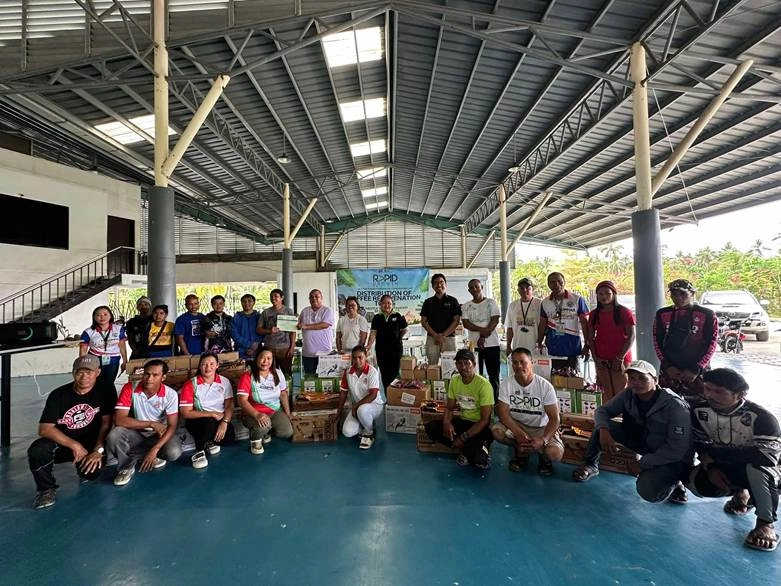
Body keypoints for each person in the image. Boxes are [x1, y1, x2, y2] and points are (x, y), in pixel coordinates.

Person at [572, 360, 692, 505]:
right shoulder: (628, 394)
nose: (636, 383)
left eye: (643, 378)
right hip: (643, 441)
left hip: (668, 454)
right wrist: (604, 431)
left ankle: (675, 481)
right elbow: (602, 411)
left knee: (648, 491)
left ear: (655, 380)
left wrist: (642, 464)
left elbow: (676, 450)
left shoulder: (675, 406)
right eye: (632, 378)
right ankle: (590, 464)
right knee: (602, 425)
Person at [686, 368, 781, 552]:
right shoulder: (699, 411)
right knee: (698, 484)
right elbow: (701, 445)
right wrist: (712, 467)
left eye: (719, 391)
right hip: (725, 465)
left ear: (740, 394)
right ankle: (741, 494)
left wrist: (720, 455)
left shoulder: (762, 418)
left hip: (766, 469)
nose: (710, 395)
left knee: (759, 470)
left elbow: (765, 458)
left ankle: (765, 524)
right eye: (707, 388)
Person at [27, 355, 116, 509]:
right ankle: (46, 489)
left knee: (92, 474)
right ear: (73, 373)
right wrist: (74, 445)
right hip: (64, 442)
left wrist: (98, 450)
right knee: (37, 450)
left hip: (90, 443)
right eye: (80, 372)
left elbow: (107, 423)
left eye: (89, 372)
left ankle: (83, 467)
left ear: (98, 373)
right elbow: (45, 428)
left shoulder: (105, 390)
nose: (84, 377)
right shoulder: (58, 394)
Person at [106, 359, 182, 486]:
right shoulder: (130, 388)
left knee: (173, 452)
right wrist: (151, 424)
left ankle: (149, 454)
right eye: (146, 374)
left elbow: (172, 425)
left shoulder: (170, 395)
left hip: (159, 435)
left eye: (155, 375)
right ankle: (126, 467)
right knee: (114, 435)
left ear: (163, 377)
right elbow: (119, 420)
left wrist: (155, 449)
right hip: (137, 433)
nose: (149, 378)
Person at [491, 347, 563, 475]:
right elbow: (503, 413)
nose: (518, 366)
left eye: (523, 362)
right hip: (518, 424)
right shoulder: (506, 384)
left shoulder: (545, 387)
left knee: (554, 454)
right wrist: (517, 432)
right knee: (497, 432)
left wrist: (543, 440)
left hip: (541, 427)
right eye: (514, 362)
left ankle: (544, 458)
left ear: (532, 363)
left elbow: (554, 419)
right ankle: (520, 451)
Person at [424, 349, 494, 469]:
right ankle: (467, 449)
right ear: (456, 365)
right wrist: (447, 423)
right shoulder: (455, 381)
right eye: (460, 363)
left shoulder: (484, 385)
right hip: (463, 421)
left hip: (479, 426)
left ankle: (476, 447)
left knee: (480, 461)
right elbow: (450, 408)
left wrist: (463, 437)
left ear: (474, 364)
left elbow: (484, 420)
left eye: (467, 363)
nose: (463, 367)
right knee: (431, 428)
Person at [653, 279, 718, 400]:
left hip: (697, 368)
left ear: (692, 294)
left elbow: (712, 343)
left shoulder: (707, 314)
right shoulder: (662, 313)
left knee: (699, 406)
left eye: (683, 294)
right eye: (674, 294)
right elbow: (657, 341)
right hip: (670, 369)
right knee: (667, 403)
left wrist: (696, 368)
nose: (678, 298)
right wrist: (667, 366)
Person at [179, 353, 236, 469]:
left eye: (211, 364)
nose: (208, 367)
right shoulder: (191, 384)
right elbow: (186, 413)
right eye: (204, 364)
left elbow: (229, 406)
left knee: (229, 438)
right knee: (208, 423)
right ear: (200, 366)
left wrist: (225, 423)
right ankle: (199, 450)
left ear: (217, 366)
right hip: (197, 420)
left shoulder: (224, 382)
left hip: (219, 419)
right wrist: (212, 413)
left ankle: (209, 441)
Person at [586, 281, 636, 401]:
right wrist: (595, 358)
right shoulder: (594, 314)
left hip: (620, 358)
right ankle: (608, 418)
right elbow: (590, 337)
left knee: (622, 392)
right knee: (606, 393)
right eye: (600, 294)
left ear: (614, 294)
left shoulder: (624, 312)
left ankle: (623, 419)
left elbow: (631, 336)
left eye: (607, 293)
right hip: (601, 358)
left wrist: (620, 358)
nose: (604, 297)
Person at [236, 347, 293, 454]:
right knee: (264, 425)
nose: (265, 361)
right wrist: (257, 415)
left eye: (269, 358)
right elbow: (242, 401)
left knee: (287, 432)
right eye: (262, 358)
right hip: (252, 413)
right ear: (256, 358)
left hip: (274, 410)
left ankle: (266, 432)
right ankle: (255, 439)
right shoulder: (247, 376)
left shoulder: (277, 373)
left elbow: (283, 394)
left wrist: (288, 413)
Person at [537, 272, 589, 372]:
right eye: (552, 282)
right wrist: (538, 343)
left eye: (559, 281)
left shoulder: (577, 299)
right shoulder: (545, 302)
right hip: (552, 349)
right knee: (553, 381)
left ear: (564, 282)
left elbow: (585, 323)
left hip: (572, 348)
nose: (556, 284)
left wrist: (587, 345)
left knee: (573, 381)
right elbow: (542, 324)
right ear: (548, 284)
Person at [337, 345, 384, 449]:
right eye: (354, 358)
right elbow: (343, 393)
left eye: (360, 357)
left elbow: (373, 395)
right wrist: (338, 412)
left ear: (365, 357)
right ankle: (366, 424)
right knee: (347, 432)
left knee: (362, 410)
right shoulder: (348, 372)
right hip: (358, 408)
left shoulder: (372, 372)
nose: (357, 361)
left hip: (374, 406)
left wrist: (355, 406)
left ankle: (369, 433)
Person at [461, 278, 501, 399]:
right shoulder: (467, 306)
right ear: (469, 290)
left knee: (493, 375)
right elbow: (466, 324)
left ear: (481, 287)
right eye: (471, 288)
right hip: (474, 346)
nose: (474, 289)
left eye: (477, 286)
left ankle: (495, 401)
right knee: (475, 374)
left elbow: (495, 320)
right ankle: (478, 400)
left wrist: (483, 335)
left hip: (492, 345)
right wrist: (482, 331)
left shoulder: (491, 303)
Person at [79, 305, 128, 386]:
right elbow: (83, 350)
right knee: (95, 383)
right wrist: (83, 364)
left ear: (110, 316)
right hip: (94, 360)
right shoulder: (88, 332)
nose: (102, 317)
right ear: (94, 317)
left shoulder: (118, 329)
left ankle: (110, 398)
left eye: (105, 314)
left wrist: (125, 361)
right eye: (98, 315)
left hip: (113, 360)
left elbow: (122, 345)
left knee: (109, 383)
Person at [367, 295, 408, 390]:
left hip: (396, 350)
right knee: (384, 374)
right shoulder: (377, 317)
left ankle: (395, 396)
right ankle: (387, 397)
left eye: (389, 303)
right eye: (384, 303)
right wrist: (368, 346)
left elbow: (405, 329)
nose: (387, 305)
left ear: (392, 304)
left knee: (395, 372)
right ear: (380, 304)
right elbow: (373, 334)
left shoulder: (398, 315)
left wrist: (398, 338)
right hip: (381, 351)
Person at [420, 273, 462, 365]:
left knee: (450, 366)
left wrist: (443, 335)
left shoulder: (453, 301)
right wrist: (435, 335)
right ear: (432, 286)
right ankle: (432, 380)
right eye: (436, 283)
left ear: (445, 284)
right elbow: (423, 322)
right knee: (432, 366)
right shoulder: (428, 302)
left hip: (449, 338)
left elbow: (457, 320)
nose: (439, 285)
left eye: (441, 282)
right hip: (432, 338)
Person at [258, 288, 297, 376]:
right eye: (271, 297)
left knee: (286, 373)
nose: (273, 298)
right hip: (270, 347)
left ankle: (286, 389)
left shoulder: (288, 311)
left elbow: (292, 331)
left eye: (276, 296)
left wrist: (292, 347)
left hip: (285, 348)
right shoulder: (266, 312)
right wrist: (269, 330)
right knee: (270, 373)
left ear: (282, 298)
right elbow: (259, 329)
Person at [297, 289, 334, 375]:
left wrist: (306, 326)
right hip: (308, 353)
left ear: (322, 298)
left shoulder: (327, 310)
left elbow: (325, 325)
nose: (314, 298)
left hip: (324, 353)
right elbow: (298, 325)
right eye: (311, 297)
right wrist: (292, 321)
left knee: (325, 379)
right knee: (310, 380)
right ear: (309, 299)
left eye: (317, 296)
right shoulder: (304, 311)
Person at [505, 278, 542, 355]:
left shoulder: (540, 304)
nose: (524, 290)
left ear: (533, 289)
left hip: (535, 348)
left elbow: (544, 326)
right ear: (518, 290)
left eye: (528, 288)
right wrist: (508, 346)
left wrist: (541, 343)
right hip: (518, 346)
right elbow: (509, 327)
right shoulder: (512, 305)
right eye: (521, 288)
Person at [232, 293, 263, 361]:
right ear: (241, 303)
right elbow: (234, 334)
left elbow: (262, 332)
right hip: (240, 351)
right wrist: (249, 345)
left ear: (254, 302)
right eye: (244, 301)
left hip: (257, 350)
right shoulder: (236, 317)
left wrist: (256, 344)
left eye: (249, 301)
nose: (247, 303)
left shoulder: (259, 317)